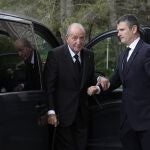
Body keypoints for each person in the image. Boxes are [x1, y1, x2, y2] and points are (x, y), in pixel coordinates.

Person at [89, 14, 150, 150]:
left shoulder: (147, 51)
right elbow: (116, 79)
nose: (118, 34)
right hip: (127, 123)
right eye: (118, 31)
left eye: (122, 30)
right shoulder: (123, 54)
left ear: (134, 29)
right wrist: (100, 87)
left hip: (146, 123)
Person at [45, 23, 102, 150]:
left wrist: (98, 80)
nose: (78, 41)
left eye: (82, 38)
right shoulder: (55, 55)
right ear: (67, 38)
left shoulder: (89, 55)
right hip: (62, 116)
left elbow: (90, 77)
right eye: (75, 38)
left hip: (82, 115)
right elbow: (50, 86)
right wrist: (51, 112)